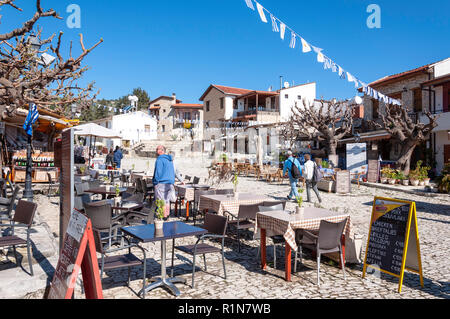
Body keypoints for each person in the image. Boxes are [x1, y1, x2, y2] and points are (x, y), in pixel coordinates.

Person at [153, 145, 176, 220]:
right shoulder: (170, 160)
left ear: (161, 150)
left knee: (161, 200)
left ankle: (163, 217)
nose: (156, 151)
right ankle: (167, 216)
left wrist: (155, 182)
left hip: (161, 183)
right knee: (167, 200)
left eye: (157, 149)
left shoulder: (159, 159)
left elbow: (158, 173)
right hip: (170, 183)